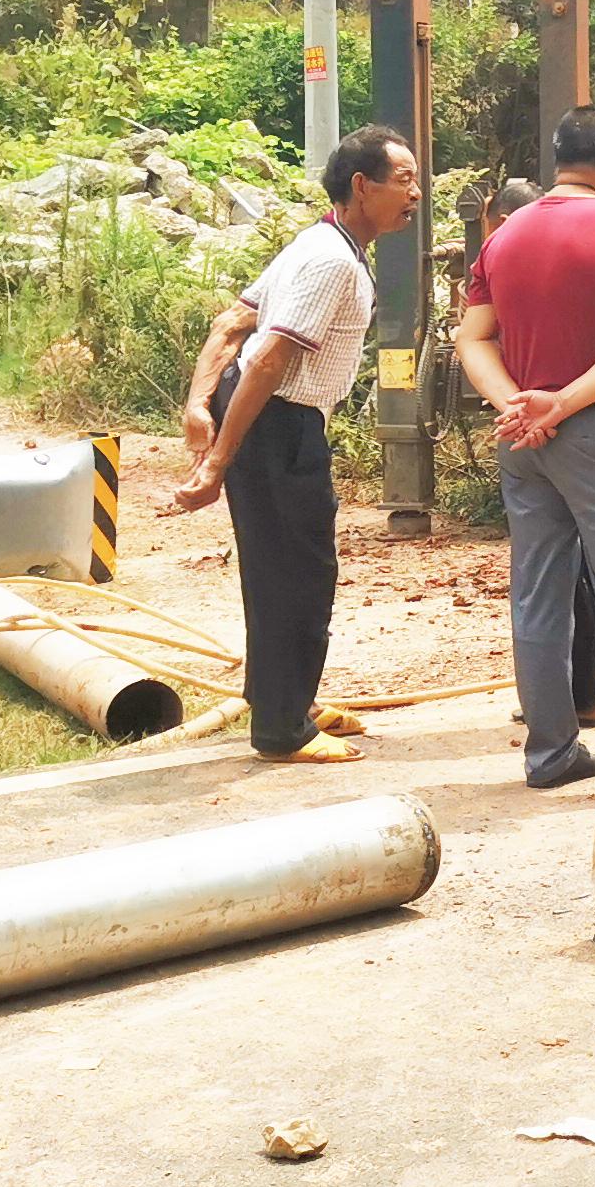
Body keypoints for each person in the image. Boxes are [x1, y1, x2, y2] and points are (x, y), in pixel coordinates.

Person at [171, 124, 420, 765]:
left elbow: (233, 322)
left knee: (276, 566)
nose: (414, 193)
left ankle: (285, 698)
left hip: (270, 417)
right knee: (299, 575)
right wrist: (217, 459)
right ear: (362, 187)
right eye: (404, 180)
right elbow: (267, 360)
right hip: (277, 420)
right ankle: (283, 729)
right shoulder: (331, 260)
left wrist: (200, 402)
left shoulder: (320, 243)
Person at [454, 103, 595, 789]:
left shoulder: (505, 235)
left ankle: (551, 754)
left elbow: (471, 337)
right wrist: (565, 403)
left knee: (538, 595)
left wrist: (517, 407)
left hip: (525, 442)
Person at [487, 177, 595, 729]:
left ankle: (569, 704)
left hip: (541, 432)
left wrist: (529, 414)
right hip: (574, 425)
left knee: (554, 581)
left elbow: (482, 344)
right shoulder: (590, 254)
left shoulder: (509, 257)